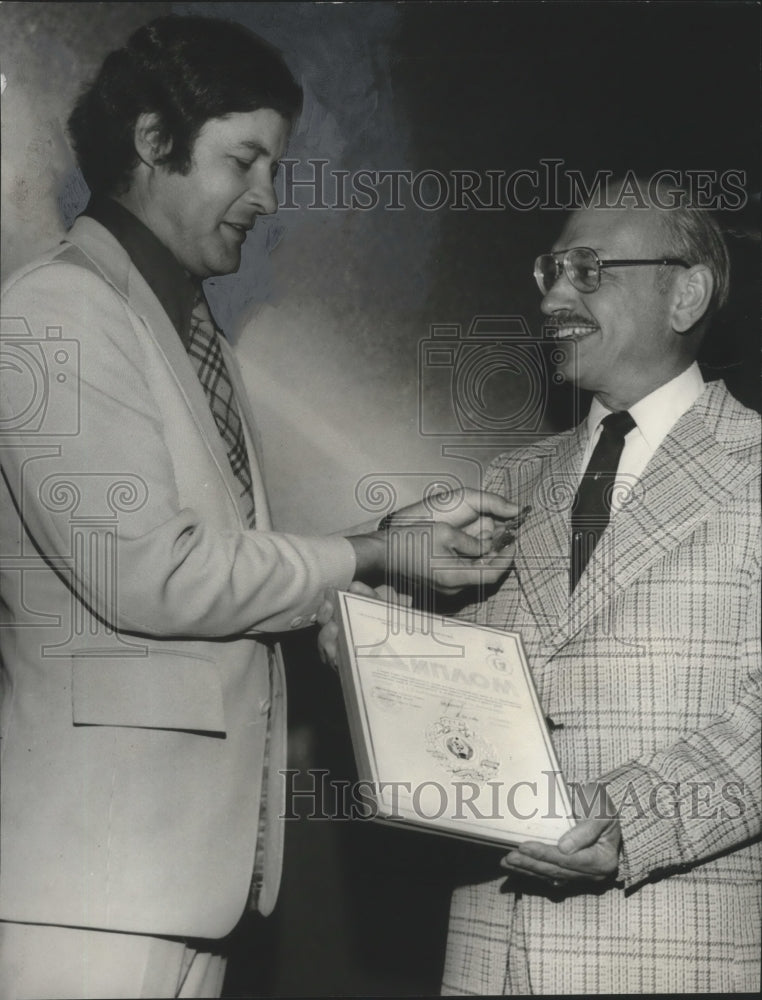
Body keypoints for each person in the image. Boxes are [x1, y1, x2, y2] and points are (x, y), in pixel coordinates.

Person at [0, 15, 515, 999]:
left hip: (176, 882)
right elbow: (154, 575)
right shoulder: (56, 314)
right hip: (94, 886)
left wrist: (378, 575)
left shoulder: (184, 334)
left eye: (273, 167)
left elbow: (229, 574)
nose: (267, 198)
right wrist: (372, 552)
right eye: (245, 161)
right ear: (153, 141)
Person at [437, 186, 761, 993]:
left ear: (685, 292)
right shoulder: (507, 481)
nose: (552, 296)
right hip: (490, 958)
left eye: (588, 271)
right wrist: (368, 630)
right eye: (551, 269)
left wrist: (630, 820)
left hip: (676, 961)